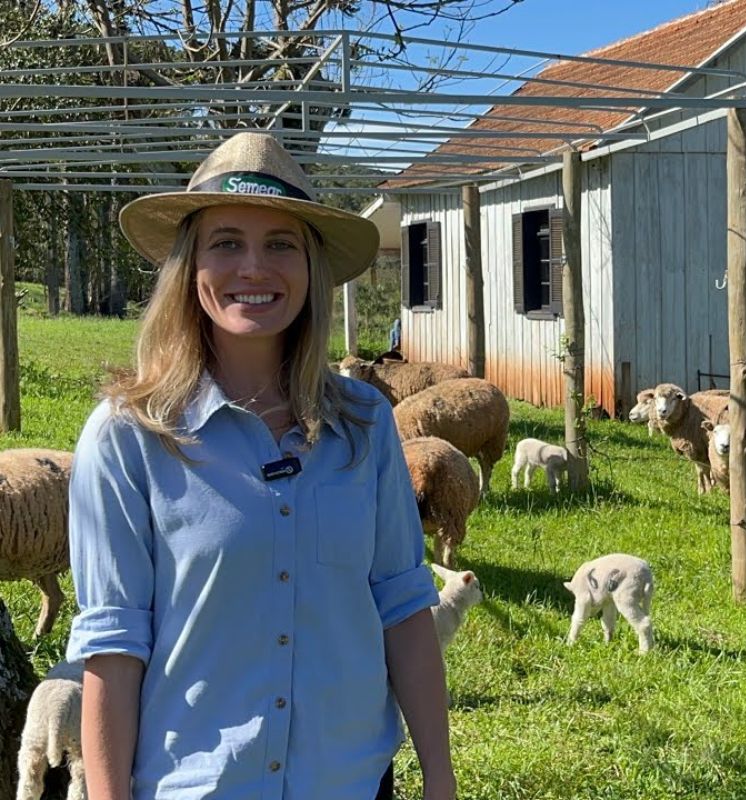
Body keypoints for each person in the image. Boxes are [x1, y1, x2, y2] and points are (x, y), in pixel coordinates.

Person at [66, 132, 456, 800]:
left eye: (281, 243)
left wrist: (441, 782)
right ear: (190, 266)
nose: (254, 267)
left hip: (353, 783)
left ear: (310, 269)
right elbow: (113, 645)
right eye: (226, 243)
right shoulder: (128, 438)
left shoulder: (363, 426)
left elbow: (403, 603)